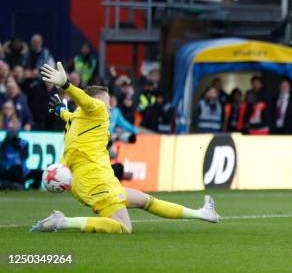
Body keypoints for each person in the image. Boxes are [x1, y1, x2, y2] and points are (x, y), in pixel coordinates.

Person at [31, 62, 219, 234]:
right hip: (96, 181)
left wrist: (59, 110)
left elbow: (69, 114)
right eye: (107, 102)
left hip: (93, 180)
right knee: (123, 228)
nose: (110, 108)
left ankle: (203, 213)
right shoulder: (96, 110)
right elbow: (85, 100)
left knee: (146, 201)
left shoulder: (75, 118)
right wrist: (66, 86)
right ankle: (63, 222)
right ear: (97, 101)